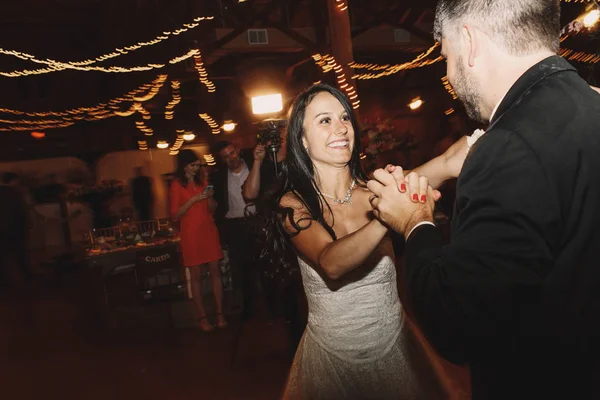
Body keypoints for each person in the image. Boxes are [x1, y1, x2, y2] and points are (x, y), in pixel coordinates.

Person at [367, 1, 600, 399]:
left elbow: (457, 326)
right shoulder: (591, 103)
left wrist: (415, 222)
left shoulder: (507, 147)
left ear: (471, 41)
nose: (448, 74)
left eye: (445, 55)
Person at [262, 83, 467, 399]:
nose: (341, 127)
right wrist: (390, 214)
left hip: (396, 350)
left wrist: (473, 145)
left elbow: (444, 164)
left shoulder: (375, 192)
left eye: (344, 117)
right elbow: (331, 263)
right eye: (325, 120)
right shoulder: (292, 204)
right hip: (330, 363)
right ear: (302, 140)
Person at [170, 149, 227, 332]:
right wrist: (193, 200)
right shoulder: (177, 185)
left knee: (216, 273)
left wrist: (209, 199)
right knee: (196, 277)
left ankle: (219, 314)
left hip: (208, 231)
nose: (196, 168)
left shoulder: (203, 182)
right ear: (184, 165)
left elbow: (211, 209)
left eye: (197, 165)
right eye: (193, 165)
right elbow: (175, 215)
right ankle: (202, 318)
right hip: (191, 234)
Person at [211, 141, 258, 320]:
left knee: (263, 265)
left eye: (231, 153)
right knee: (241, 269)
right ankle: (249, 309)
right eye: (225, 156)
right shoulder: (219, 177)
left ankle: (272, 306)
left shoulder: (254, 166)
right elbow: (214, 201)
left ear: (238, 150)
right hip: (235, 226)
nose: (230, 158)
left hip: (256, 221)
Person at [0, 172, 31, 284]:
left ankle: (3, 277)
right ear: (13, 181)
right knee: (20, 251)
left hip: (2, 228)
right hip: (15, 226)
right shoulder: (14, 193)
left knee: (2, 253)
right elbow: (20, 211)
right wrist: (26, 224)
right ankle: (26, 273)